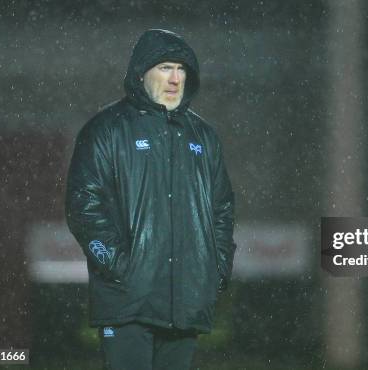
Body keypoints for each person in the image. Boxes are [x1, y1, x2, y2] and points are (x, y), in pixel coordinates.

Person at [65, 29, 236, 370]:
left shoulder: (203, 136)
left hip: (186, 302)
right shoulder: (106, 129)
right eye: (165, 68)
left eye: (182, 69)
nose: (175, 78)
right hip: (128, 301)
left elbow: (222, 209)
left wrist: (216, 267)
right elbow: (83, 205)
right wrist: (119, 264)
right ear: (141, 73)